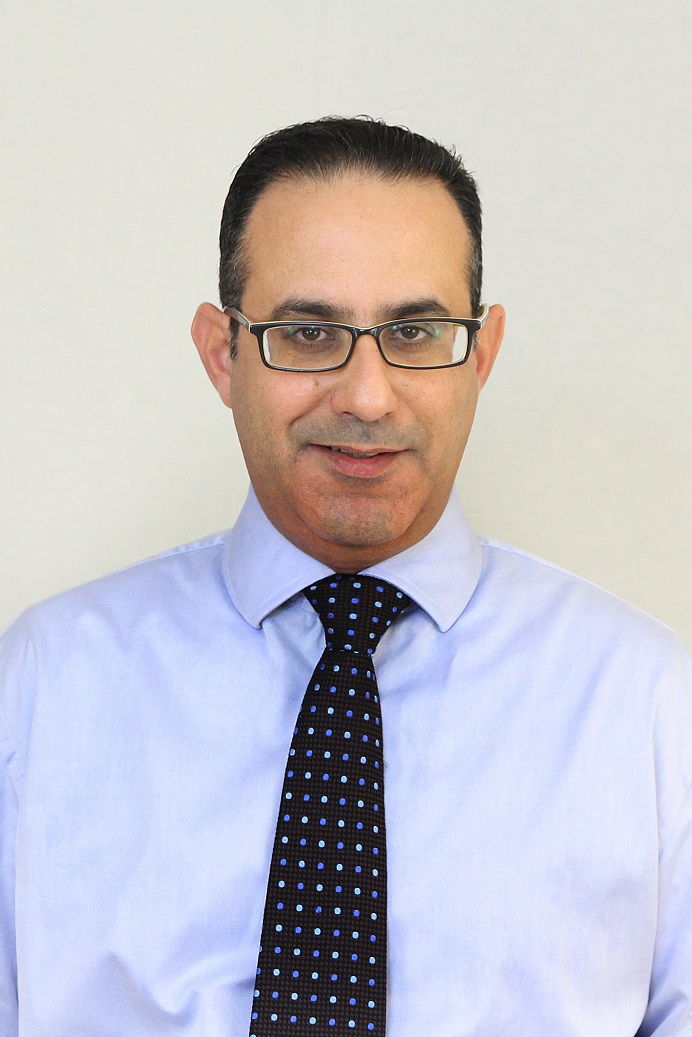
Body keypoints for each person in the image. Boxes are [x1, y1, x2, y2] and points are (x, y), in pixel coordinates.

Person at [0, 117, 690, 1037]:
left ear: (481, 354)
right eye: (307, 332)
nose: (367, 395)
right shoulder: (44, 684)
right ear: (222, 353)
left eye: (416, 331)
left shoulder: (644, 702)